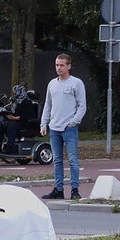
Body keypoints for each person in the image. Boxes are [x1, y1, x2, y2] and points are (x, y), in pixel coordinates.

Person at [40, 53, 87, 200]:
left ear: (69, 66)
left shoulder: (76, 83)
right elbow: (48, 104)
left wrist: (74, 121)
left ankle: (74, 189)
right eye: (56, 65)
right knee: (57, 160)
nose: (58, 68)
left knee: (73, 159)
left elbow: (82, 106)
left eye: (61, 65)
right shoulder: (52, 84)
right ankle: (58, 189)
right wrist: (44, 123)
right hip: (54, 127)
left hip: (69, 127)